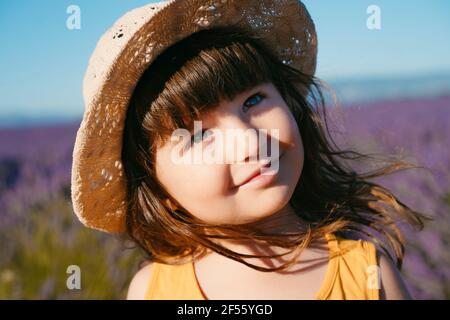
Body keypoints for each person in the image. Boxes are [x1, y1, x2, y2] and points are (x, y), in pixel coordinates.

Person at [71, 0, 430, 300]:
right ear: (158, 190)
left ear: (291, 104)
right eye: (198, 135)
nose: (249, 142)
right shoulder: (154, 290)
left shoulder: (367, 275)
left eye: (254, 100)